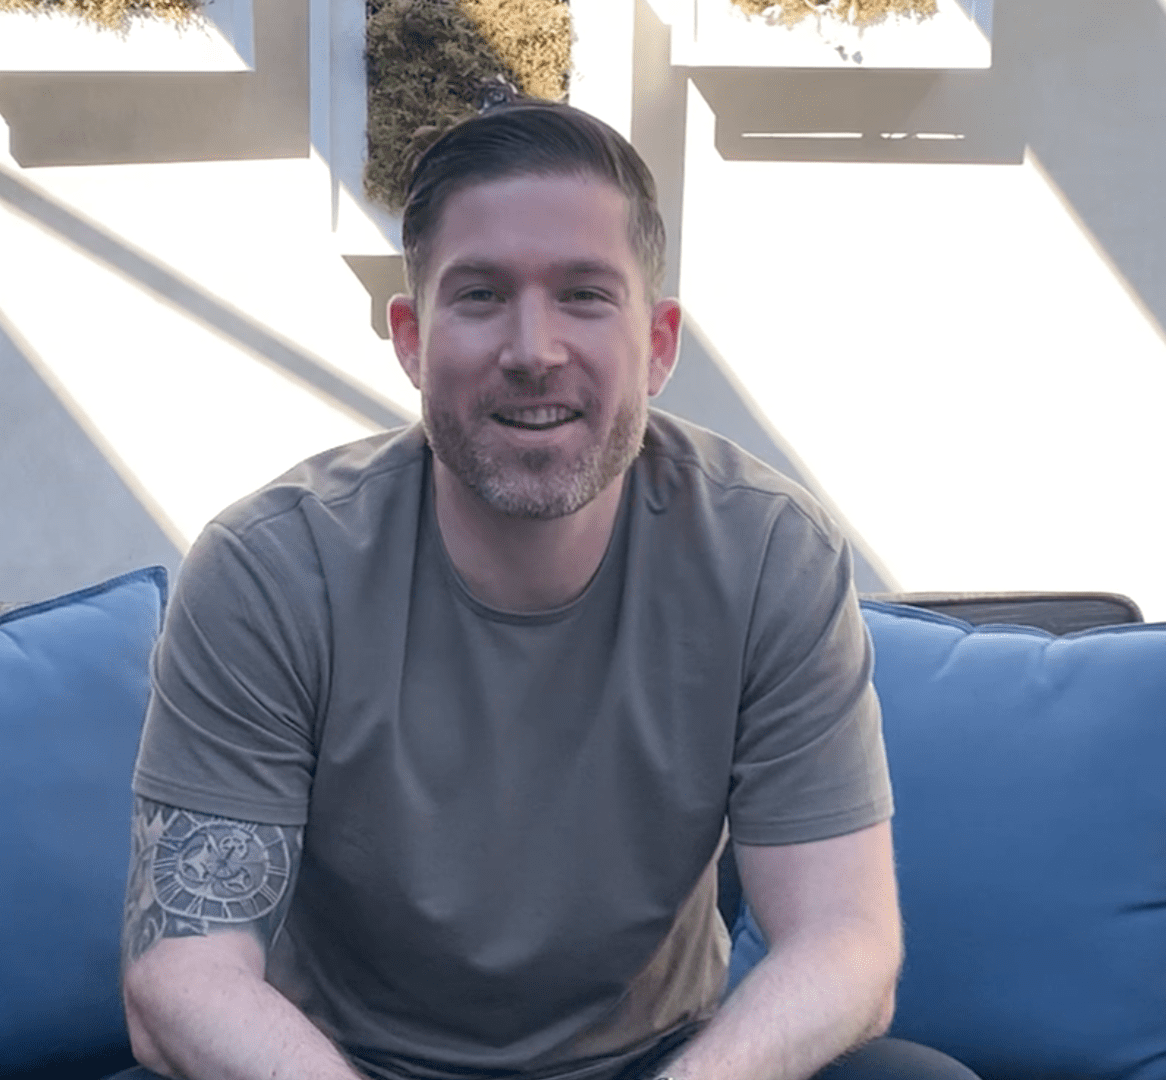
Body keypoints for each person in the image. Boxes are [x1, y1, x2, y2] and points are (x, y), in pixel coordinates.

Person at [115, 99, 979, 1080]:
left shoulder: (768, 554)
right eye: (481, 295)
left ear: (658, 343)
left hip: (662, 1064)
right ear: (411, 337)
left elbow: (845, 942)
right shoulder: (273, 569)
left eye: (584, 295)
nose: (533, 350)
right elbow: (182, 975)